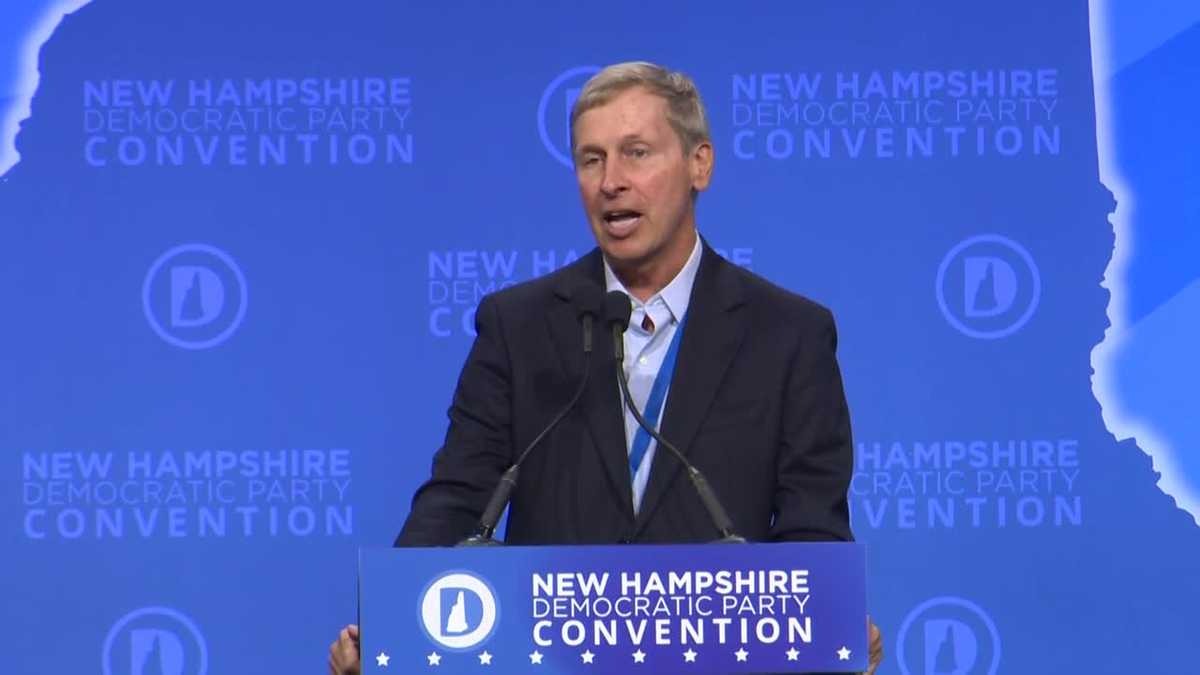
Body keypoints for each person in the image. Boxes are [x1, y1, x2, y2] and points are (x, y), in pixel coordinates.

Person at [330, 61, 882, 674]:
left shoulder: (788, 334)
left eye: (637, 153)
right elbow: (458, 498)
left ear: (700, 164)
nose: (610, 182)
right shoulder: (519, 326)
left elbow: (812, 525)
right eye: (591, 160)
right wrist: (389, 624)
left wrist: (831, 625)